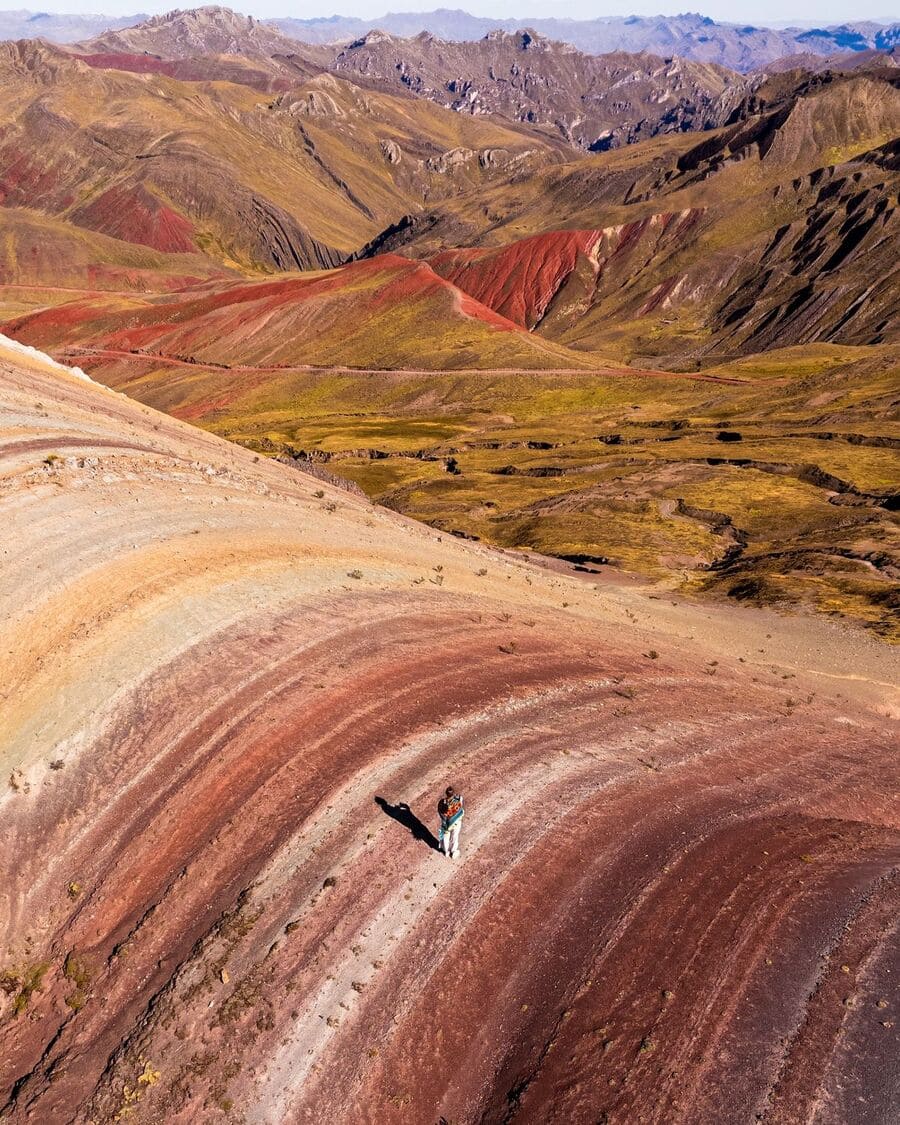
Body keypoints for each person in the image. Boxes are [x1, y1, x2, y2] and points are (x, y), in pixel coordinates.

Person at [437, 785, 464, 859]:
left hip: (446, 823)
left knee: (445, 837)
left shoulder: (441, 803)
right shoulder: (458, 799)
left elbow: (440, 812)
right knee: (454, 836)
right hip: (456, 822)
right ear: (453, 793)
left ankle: (446, 851)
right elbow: (460, 808)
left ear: (446, 793)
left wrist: (444, 820)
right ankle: (453, 851)